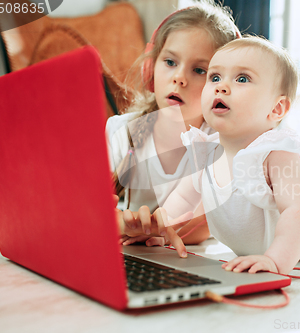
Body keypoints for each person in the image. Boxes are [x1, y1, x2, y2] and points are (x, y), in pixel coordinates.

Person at [122, 36, 300, 275]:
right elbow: (181, 201)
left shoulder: (276, 154)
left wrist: (275, 260)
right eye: (214, 77)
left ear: (276, 108)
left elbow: (296, 212)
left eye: (242, 79)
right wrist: (161, 230)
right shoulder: (204, 152)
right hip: (258, 244)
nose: (221, 86)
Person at [107, 1, 240, 256]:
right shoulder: (121, 130)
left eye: (200, 70)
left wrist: (145, 229)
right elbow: (89, 207)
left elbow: (204, 224)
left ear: (221, 88)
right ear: (150, 69)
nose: (179, 77)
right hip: (141, 254)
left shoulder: (219, 143)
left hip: (183, 254)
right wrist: (123, 223)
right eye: (170, 62)